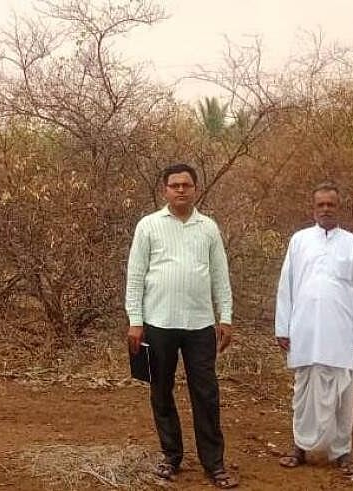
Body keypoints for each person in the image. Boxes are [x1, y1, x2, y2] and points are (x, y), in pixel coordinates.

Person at [125, 163, 238, 489]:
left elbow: (220, 275)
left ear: (195, 189)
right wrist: (135, 321)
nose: (180, 190)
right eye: (174, 185)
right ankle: (171, 456)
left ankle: (214, 463)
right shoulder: (149, 225)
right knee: (161, 390)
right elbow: (135, 275)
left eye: (186, 185)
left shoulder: (208, 228)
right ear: (165, 190)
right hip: (158, 322)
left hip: (199, 324)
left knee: (206, 393)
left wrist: (226, 316)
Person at [274, 181, 353, 474]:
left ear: (338, 208)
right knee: (304, 391)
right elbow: (286, 285)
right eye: (321, 205)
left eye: (331, 204)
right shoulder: (299, 240)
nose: (326, 209)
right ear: (313, 208)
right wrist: (282, 327)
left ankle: (342, 452)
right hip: (305, 328)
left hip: (341, 329)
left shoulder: (352, 243)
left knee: (343, 391)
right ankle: (300, 447)